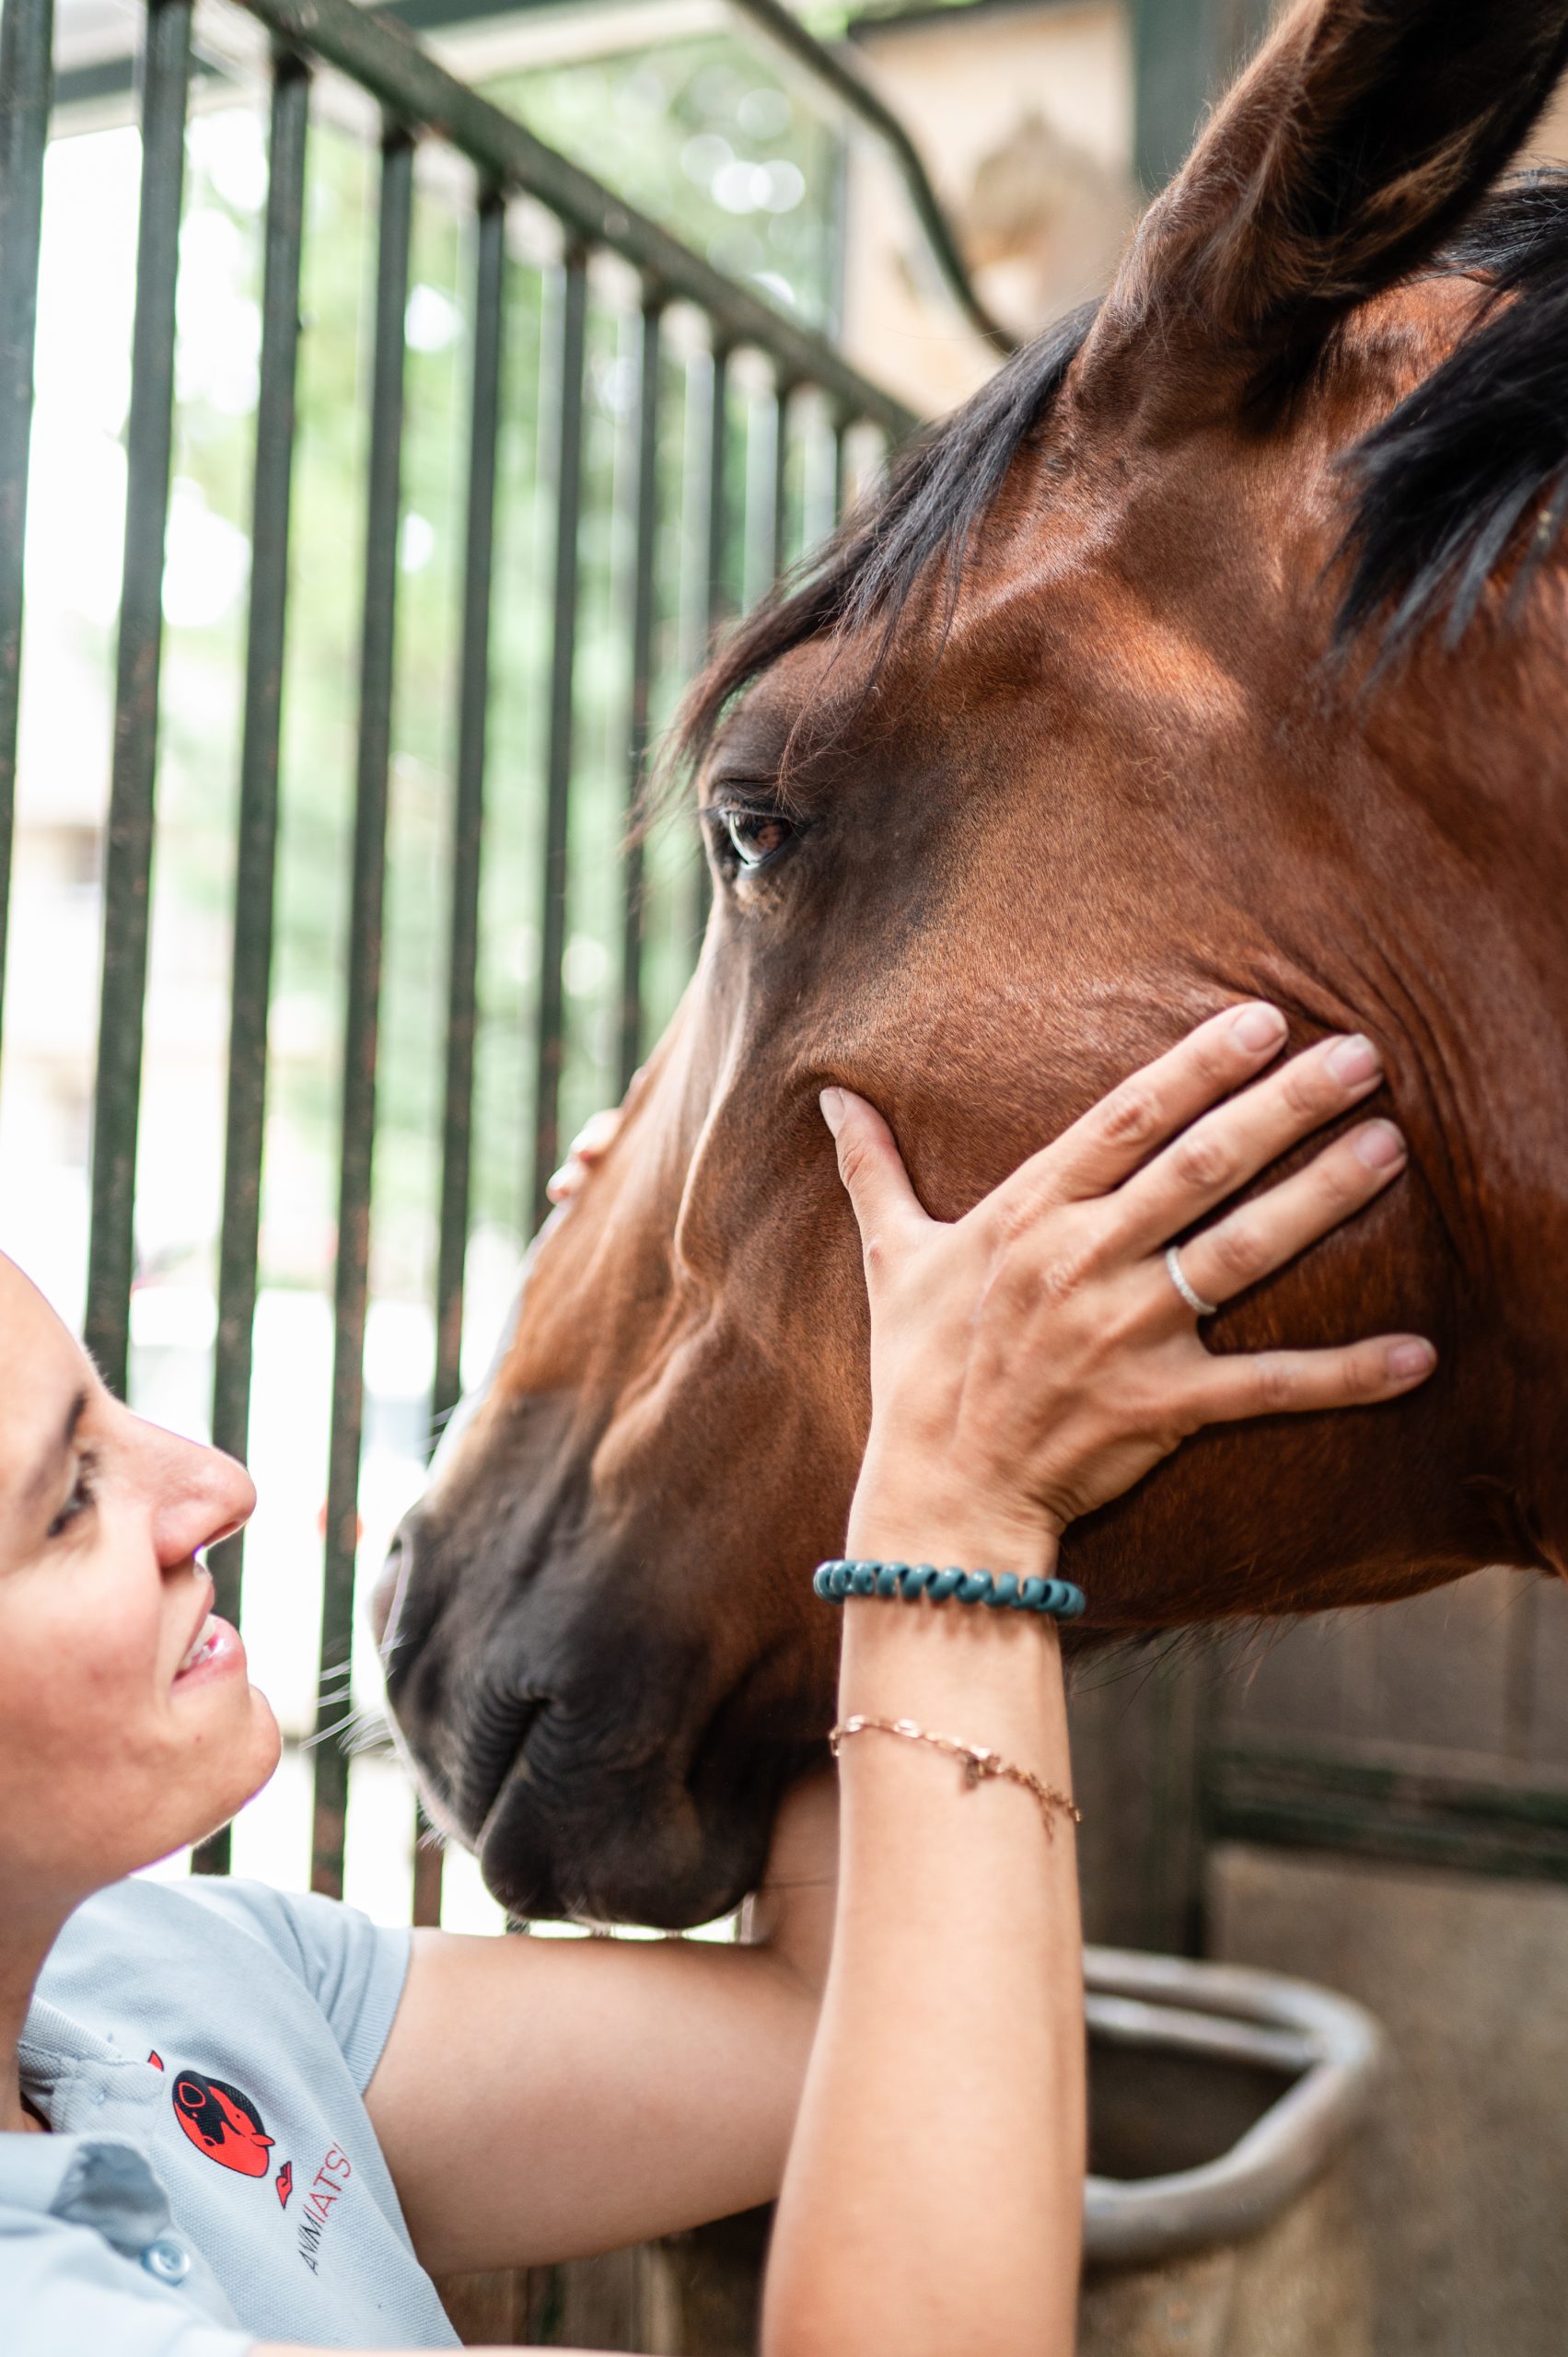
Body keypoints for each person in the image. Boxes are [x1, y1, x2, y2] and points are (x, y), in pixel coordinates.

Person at [0, 1005, 1431, 2357]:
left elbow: (843, 2038)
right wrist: (957, 1530)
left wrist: (816, 1382)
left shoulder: (156, 1983)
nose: (218, 1486)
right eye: (67, 1500)